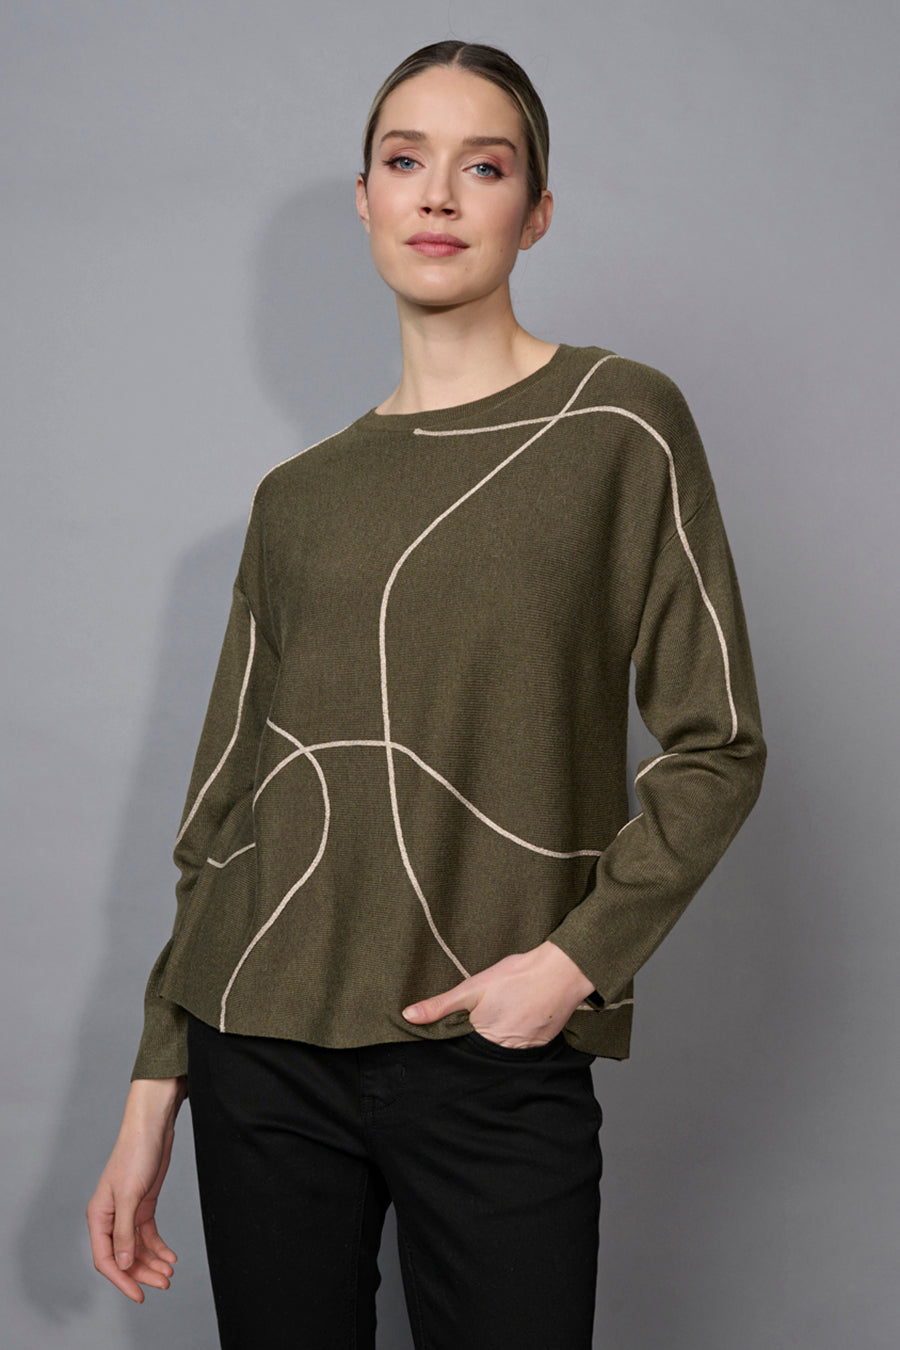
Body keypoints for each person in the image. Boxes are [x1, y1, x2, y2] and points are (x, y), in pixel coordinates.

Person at [87, 38, 766, 1350]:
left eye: (484, 166)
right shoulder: (296, 499)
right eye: (406, 161)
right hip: (260, 1052)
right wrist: (154, 1082)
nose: (440, 194)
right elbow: (224, 807)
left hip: (493, 1055)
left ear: (536, 211)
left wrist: (572, 965)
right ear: (366, 199)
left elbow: (718, 743)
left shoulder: (618, 422)